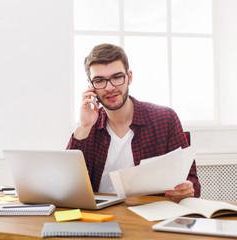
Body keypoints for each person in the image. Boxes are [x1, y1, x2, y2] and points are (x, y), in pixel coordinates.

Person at [67, 43, 200, 201]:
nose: (109, 87)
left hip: (151, 217)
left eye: (117, 77)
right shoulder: (88, 127)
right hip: (100, 219)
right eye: (100, 80)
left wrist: (187, 188)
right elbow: (67, 188)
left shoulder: (166, 119)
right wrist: (83, 127)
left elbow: (193, 185)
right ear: (91, 86)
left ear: (129, 77)